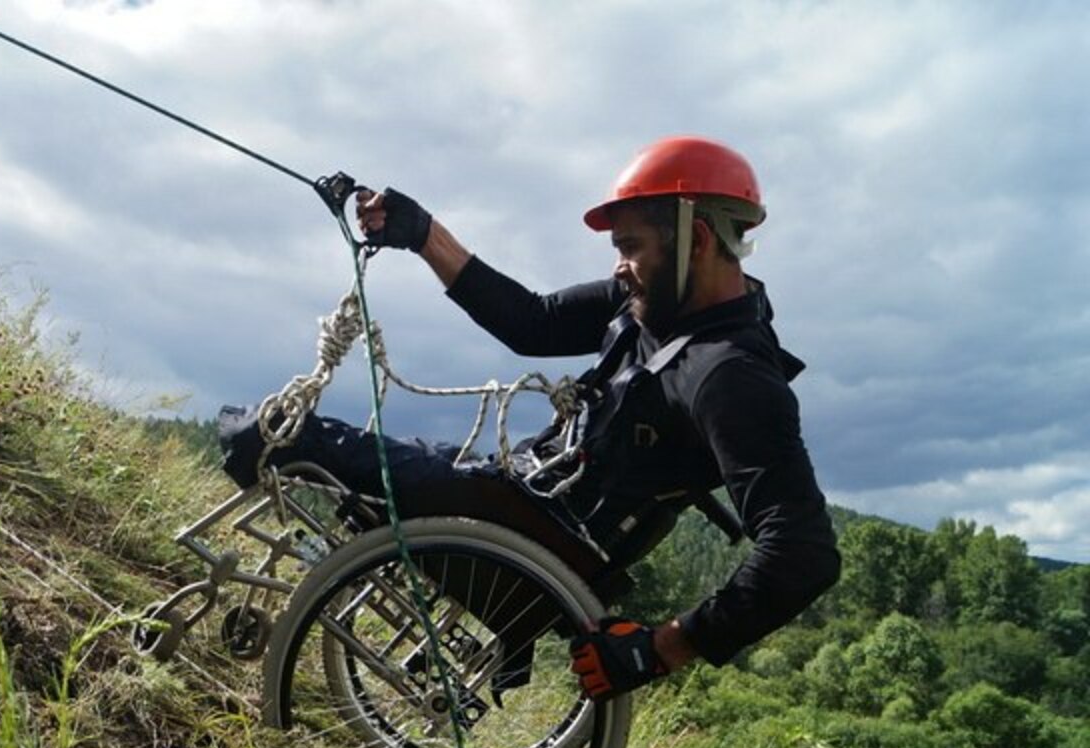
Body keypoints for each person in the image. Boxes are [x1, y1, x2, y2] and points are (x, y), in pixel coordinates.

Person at [351, 136, 840, 701]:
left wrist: (662, 648)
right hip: (517, 499)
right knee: (299, 441)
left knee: (292, 442)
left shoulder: (729, 375)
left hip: (531, 533)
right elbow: (533, 322)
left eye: (630, 247)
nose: (619, 267)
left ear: (698, 240)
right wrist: (423, 234)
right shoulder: (651, 303)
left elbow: (803, 551)